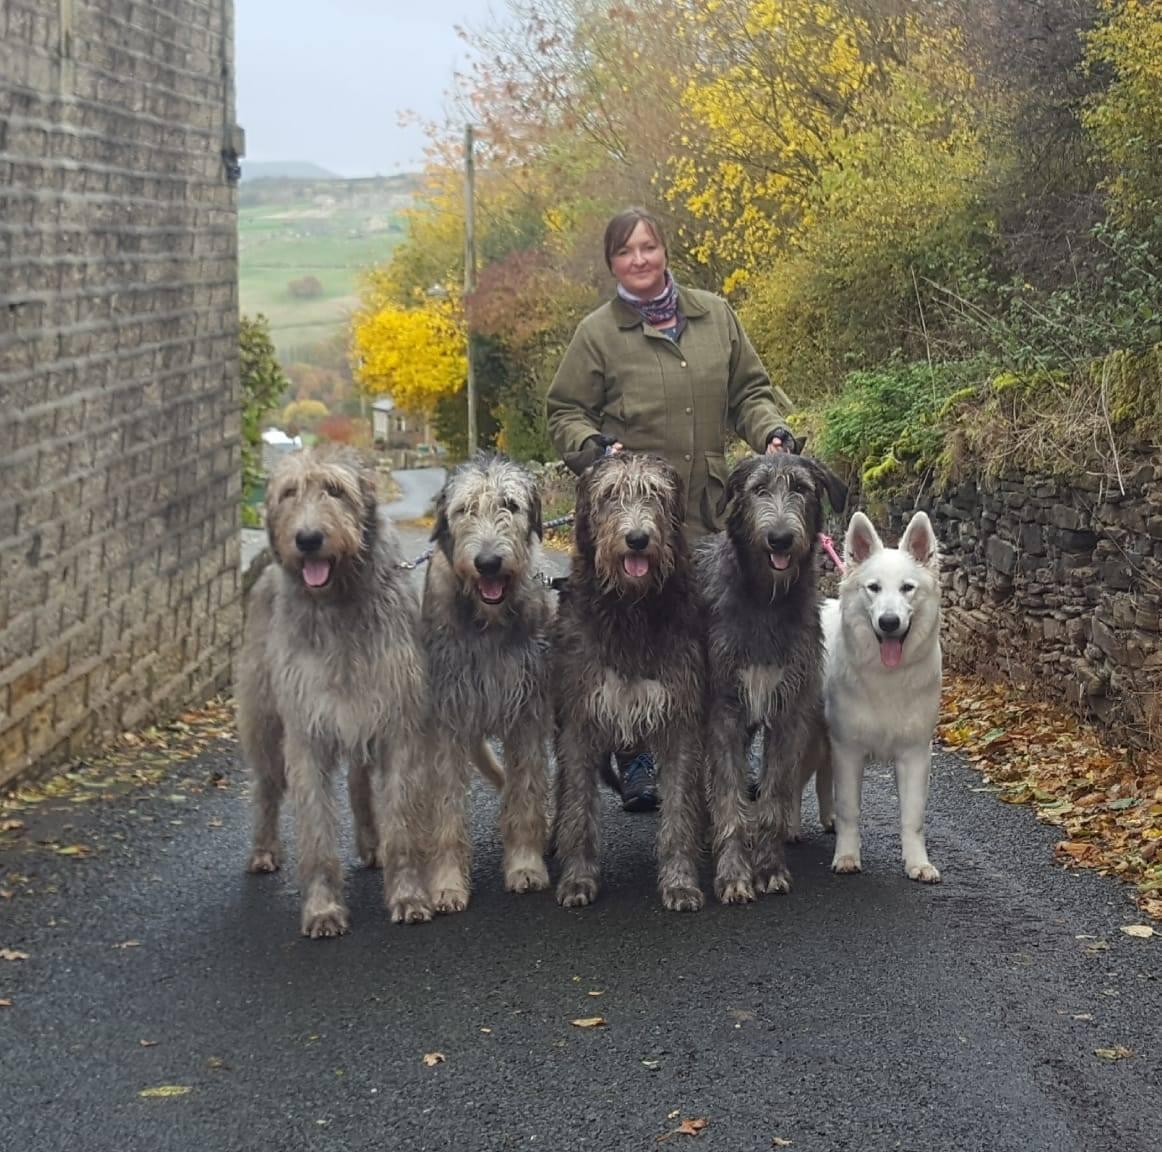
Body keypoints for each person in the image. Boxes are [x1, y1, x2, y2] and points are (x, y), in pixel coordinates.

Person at [546, 207, 799, 812]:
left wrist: (770, 432)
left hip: (707, 513)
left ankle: (721, 756)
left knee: (710, 639)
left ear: (664, 251)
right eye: (625, 251)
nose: (639, 259)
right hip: (633, 515)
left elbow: (750, 392)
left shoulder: (716, 316)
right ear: (612, 263)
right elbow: (564, 411)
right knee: (633, 634)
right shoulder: (597, 333)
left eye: (648, 247)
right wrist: (595, 449)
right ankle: (635, 755)